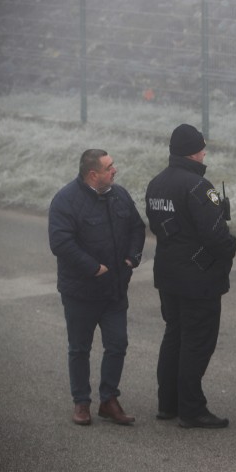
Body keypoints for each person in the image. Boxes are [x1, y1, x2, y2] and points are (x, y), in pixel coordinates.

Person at [145, 123, 236, 429]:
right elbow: (215, 236)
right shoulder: (200, 187)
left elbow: (161, 228)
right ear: (193, 152)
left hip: (168, 273)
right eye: (201, 149)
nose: (204, 153)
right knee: (197, 342)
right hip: (198, 278)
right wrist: (230, 247)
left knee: (175, 336)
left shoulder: (156, 184)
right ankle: (192, 408)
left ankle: (167, 403)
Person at [48, 149, 146, 426]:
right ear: (93, 174)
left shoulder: (119, 195)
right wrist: (94, 268)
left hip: (114, 290)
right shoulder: (66, 201)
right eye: (109, 167)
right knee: (80, 348)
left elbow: (137, 228)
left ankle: (108, 400)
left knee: (118, 344)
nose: (115, 170)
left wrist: (132, 258)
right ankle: (81, 402)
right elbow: (61, 243)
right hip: (81, 292)